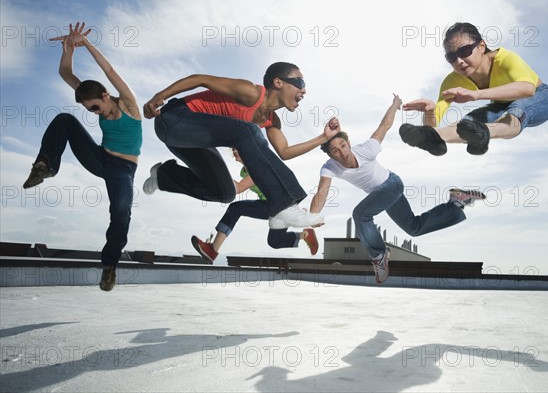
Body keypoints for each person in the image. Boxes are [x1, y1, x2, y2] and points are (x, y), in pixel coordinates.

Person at [310, 95, 486, 284]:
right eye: (335, 151)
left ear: (349, 143)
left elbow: (384, 125)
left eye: (343, 146)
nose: (342, 153)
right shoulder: (329, 167)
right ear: (330, 155)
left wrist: (395, 105)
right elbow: (322, 192)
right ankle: (456, 202)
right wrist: (310, 217)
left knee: (360, 214)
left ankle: (378, 256)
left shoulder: (366, 149)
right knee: (414, 228)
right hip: (382, 196)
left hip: (392, 184)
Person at [142, 62, 339, 229]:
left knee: (225, 193)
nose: (303, 90)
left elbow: (285, 152)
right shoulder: (251, 92)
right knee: (246, 131)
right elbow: (200, 78)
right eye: (300, 83)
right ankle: (282, 207)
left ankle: (164, 177)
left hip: (192, 142)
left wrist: (324, 137)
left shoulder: (272, 121)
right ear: (278, 82)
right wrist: (160, 96)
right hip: (173, 120)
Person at [23, 22, 142, 292]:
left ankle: (109, 266)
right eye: (90, 110)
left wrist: (86, 44)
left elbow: (109, 71)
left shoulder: (129, 105)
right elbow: (66, 73)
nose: (95, 112)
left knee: (121, 212)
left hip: (123, 170)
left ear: (105, 95)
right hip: (100, 158)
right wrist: (68, 49)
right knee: (65, 120)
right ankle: (45, 166)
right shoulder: (92, 98)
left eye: (96, 107)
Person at [400, 22, 548, 155]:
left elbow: (527, 89)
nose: (459, 61)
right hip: (500, 104)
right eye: (452, 57)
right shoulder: (452, 80)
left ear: (482, 46)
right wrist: (429, 112)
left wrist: (476, 95)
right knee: (468, 123)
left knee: (517, 109)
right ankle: (436, 139)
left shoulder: (505, 59)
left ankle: (484, 134)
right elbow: (433, 122)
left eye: (464, 51)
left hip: (540, 98)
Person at [191, 149, 319, 264]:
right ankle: (305, 235)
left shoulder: (257, 167)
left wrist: (214, 174)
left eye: (238, 151)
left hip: (281, 205)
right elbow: (238, 185)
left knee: (239, 210)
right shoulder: (244, 172)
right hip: (268, 204)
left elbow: (239, 188)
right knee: (273, 240)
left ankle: (213, 250)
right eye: (234, 153)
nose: (236, 156)